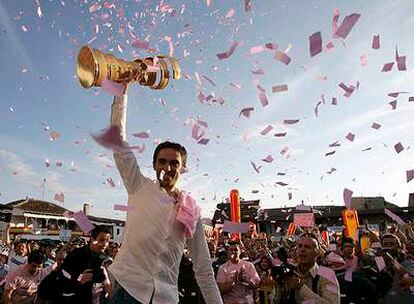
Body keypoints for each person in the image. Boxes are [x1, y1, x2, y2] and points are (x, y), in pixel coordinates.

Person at [107, 86, 222, 303]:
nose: (167, 168)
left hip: (165, 297)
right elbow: (118, 143)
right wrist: (120, 92)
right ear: (153, 164)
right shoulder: (138, 186)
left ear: (183, 168)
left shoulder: (191, 211)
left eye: (174, 163)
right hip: (128, 289)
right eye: (162, 161)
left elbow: (204, 268)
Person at [36, 225, 111, 304]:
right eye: (101, 240)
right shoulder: (77, 254)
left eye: (107, 241)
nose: (105, 244)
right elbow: (64, 276)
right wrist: (80, 278)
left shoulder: (99, 257)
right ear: (93, 240)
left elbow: (98, 278)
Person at [271, 233, 340, 304]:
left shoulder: (327, 275)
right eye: (300, 246)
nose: (302, 250)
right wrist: (280, 288)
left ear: (318, 253)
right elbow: (274, 301)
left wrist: (301, 288)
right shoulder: (289, 272)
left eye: (307, 247)